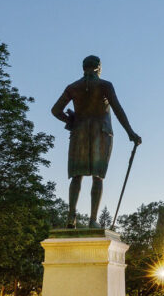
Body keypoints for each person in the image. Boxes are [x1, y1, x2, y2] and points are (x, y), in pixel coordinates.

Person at [52, 55, 141, 228]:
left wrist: (70, 121)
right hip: (102, 133)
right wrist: (130, 132)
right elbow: (117, 110)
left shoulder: (73, 87)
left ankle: (71, 216)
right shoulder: (104, 85)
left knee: (77, 175)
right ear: (99, 67)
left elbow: (55, 110)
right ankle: (93, 220)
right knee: (97, 177)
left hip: (79, 133)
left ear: (83, 68)